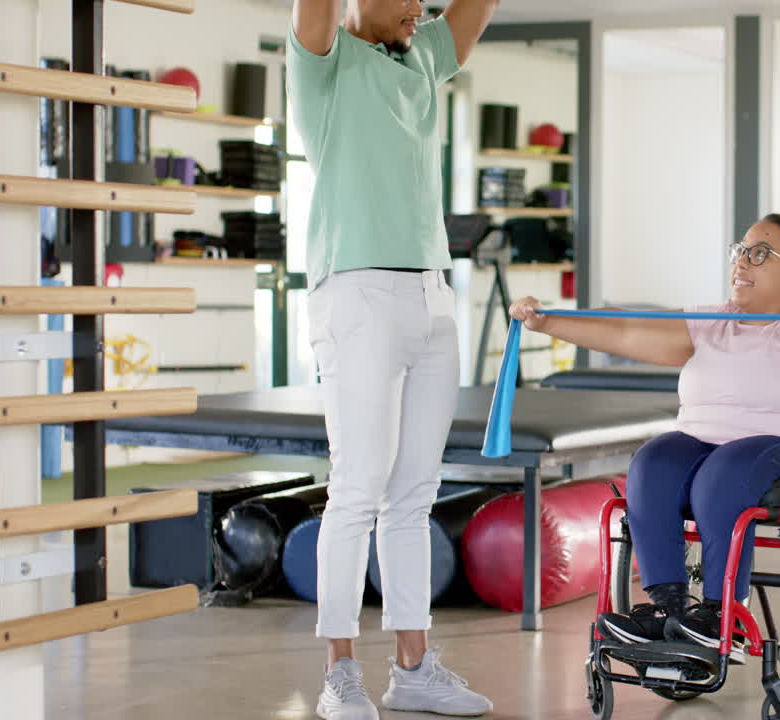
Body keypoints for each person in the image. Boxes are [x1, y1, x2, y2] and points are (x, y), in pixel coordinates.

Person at [508, 213, 780, 663]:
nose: (742, 263)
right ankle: (671, 608)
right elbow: (626, 331)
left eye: (759, 254)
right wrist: (546, 323)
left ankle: (722, 614)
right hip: (699, 443)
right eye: (740, 251)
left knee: (724, 473)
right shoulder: (712, 320)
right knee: (652, 463)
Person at [286, 0, 499, 717]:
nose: (419, 8)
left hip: (432, 295)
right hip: (357, 293)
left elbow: (477, 7)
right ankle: (339, 674)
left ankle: (413, 667)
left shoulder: (421, 57)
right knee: (357, 487)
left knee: (413, 493)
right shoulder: (324, 61)